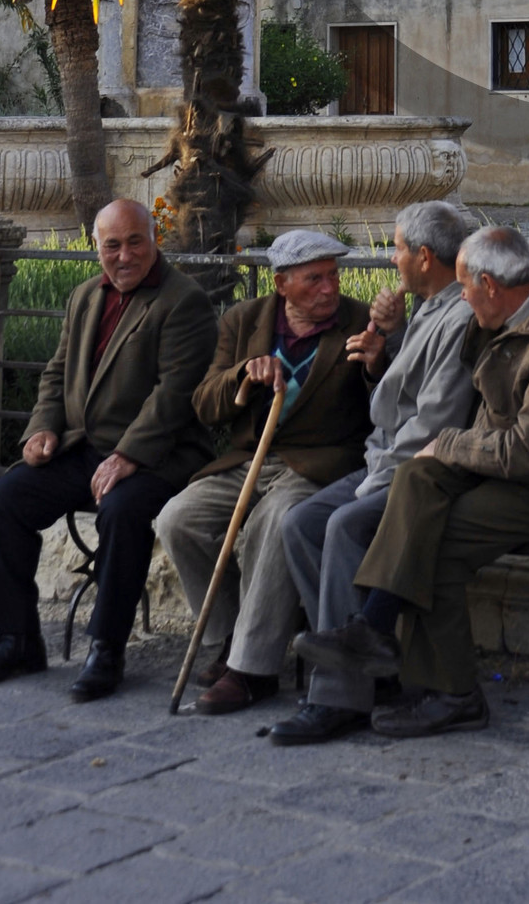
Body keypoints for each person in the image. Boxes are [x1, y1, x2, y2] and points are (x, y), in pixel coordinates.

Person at [297, 223, 529, 738]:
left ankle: (455, 695)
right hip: (510, 470)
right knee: (418, 475)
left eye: (466, 290)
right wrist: (390, 332)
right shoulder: (513, 310)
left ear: (491, 286)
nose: (462, 301)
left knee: (441, 540)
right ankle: (373, 630)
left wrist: (451, 445)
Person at [0, 197, 217, 700]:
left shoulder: (182, 300)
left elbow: (176, 393)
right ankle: (18, 641)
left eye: (134, 242)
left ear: (153, 239)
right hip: (86, 450)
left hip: (162, 455)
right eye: (111, 245)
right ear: (96, 247)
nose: (124, 256)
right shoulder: (84, 297)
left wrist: (128, 456)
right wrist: (42, 429)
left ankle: (106, 648)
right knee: (5, 499)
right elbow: (57, 373)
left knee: (121, 510)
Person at [269, 200, 477, 746]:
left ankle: (336, 696)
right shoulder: (431, 305)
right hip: (382, 460)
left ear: (425, 257)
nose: (392, 258)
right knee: (301, 523)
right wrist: (386, 337)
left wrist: (371, 480)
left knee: (343, 524)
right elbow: (399, 393)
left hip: (415, 473)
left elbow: (433, 422)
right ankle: (361, 671)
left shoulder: (458, 317)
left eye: (399, 248)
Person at [155, 229, 373, 715]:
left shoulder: (358, 322)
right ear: (281, 284)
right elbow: (205, 404)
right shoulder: (243, 321)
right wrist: (242, 377)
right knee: (177, 518)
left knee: (272, 523)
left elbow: (385, 403)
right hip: (250, 460)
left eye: (333, 277)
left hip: (318, 464)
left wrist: (377, 362)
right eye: (313, 279)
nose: (328, 289)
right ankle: (230, 635)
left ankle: (252, 670)